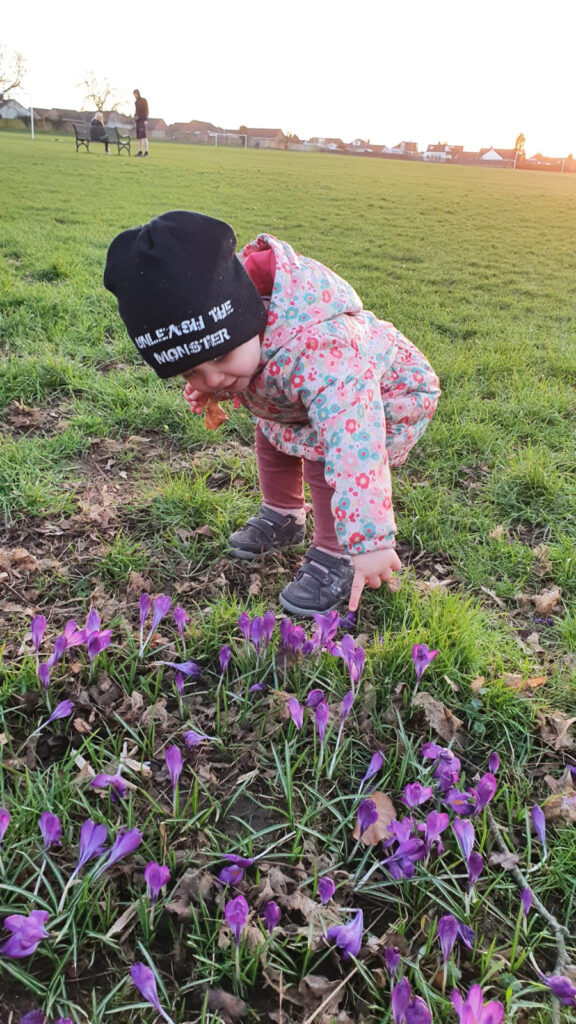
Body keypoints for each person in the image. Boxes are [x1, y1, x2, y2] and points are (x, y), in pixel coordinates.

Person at [104, 211, 440, 617]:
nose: (212, 377)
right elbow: (226, 367)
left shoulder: (321, 353)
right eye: (192, 370)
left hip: (389, 395)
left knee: (320, 446)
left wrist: (369, 540)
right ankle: (284, 515)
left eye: (221, 357)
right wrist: (210, 388)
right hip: (308, 396)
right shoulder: (244, 346)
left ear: (249, 317)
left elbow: (355, 448)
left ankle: (336, 553)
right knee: (274, 427)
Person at [133, 89, 149, 157]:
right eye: (134, 95)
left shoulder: (143, 100)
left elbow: (146, 110)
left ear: (138, 93)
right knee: (139, 137)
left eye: (136, 94)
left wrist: (146, 119)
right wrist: (135, 120)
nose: (135, 96)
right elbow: (136, 111)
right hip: (138, 121)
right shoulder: (136, 102)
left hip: (143, 120)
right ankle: (140, 151)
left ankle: (146, 151)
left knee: (144, 136)